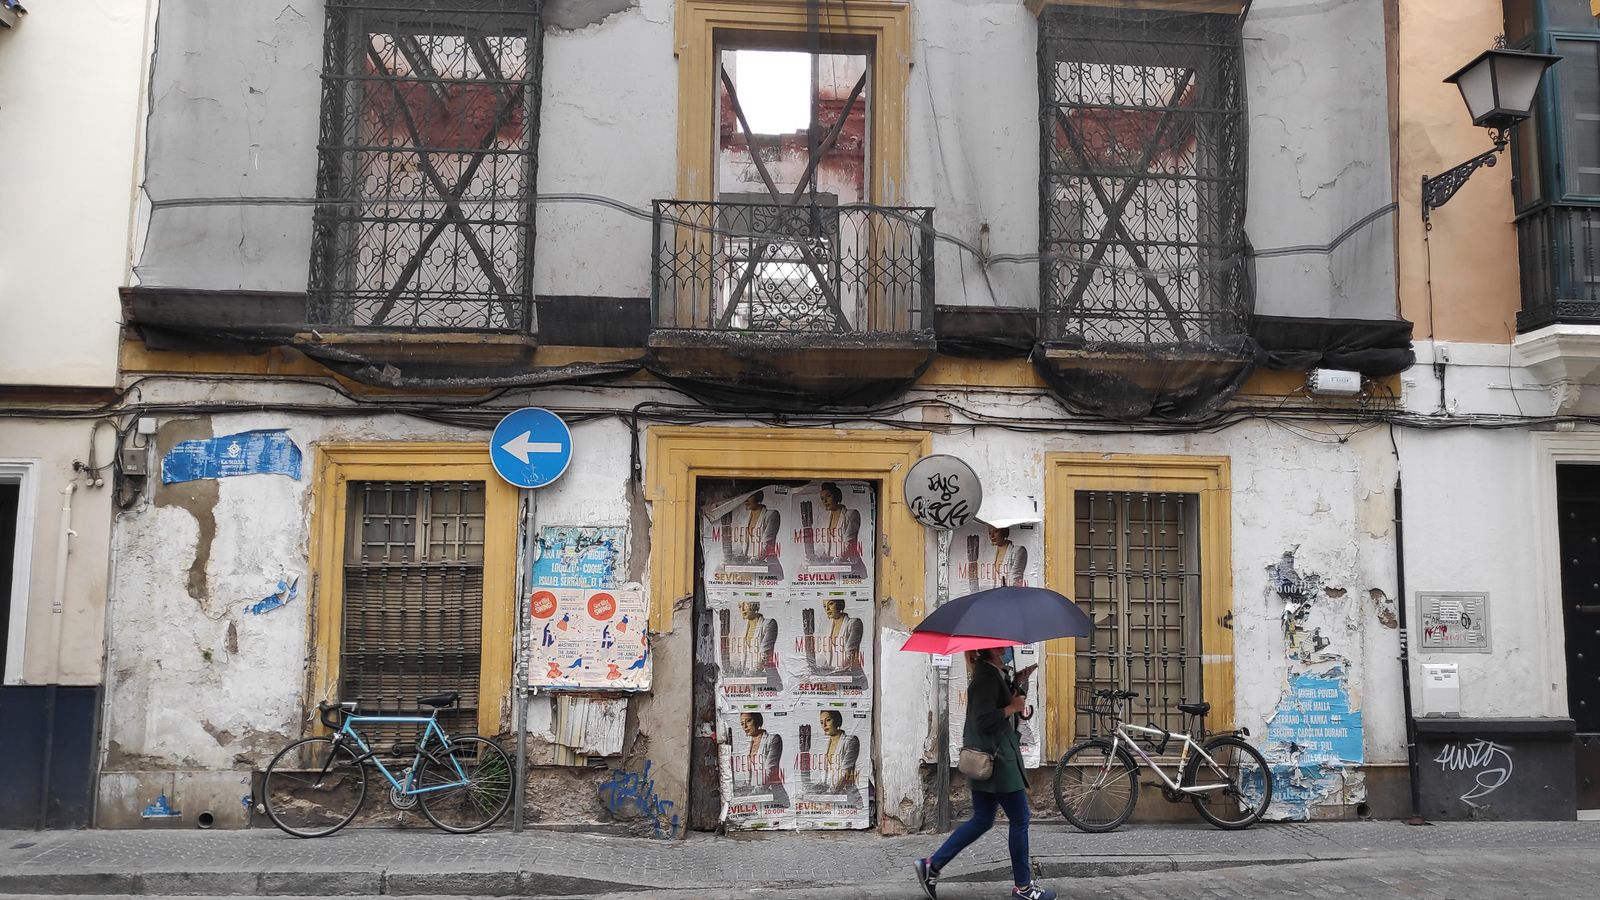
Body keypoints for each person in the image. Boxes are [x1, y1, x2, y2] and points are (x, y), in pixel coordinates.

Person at [916, 647, 1053, 900]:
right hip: (998, 762)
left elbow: (998, 705)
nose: (1008, 646)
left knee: (982, 819)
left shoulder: (993, 672)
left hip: (993, 759)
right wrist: (1012, 706)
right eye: (1003, 643)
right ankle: (1024, 887)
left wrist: (1017, 683)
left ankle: (932, 866)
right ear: (992, 647)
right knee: (1020, 818)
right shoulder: (985, 677)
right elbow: (983, 719)